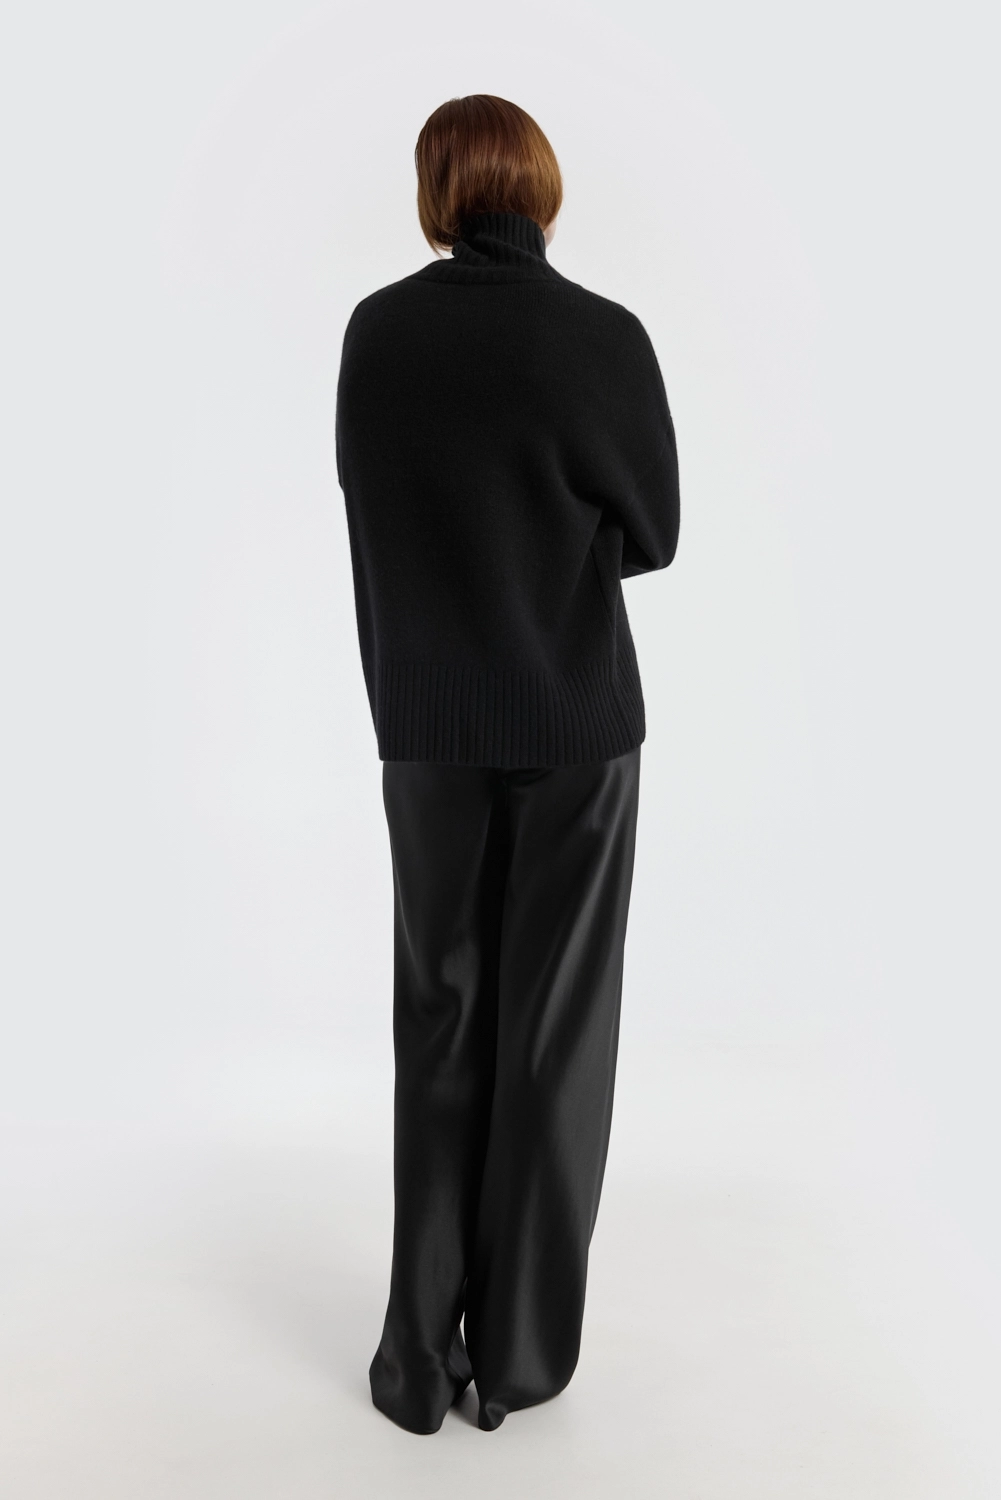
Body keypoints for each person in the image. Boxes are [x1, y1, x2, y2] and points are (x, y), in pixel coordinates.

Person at [335, 93, 680, 1435]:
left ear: (437, 193)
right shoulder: (603, 338)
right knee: (553, 1041)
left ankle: (416, 1358)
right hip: (575, 727)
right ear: (538, 188)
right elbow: (654, 531)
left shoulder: (376, 335)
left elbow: (377, 508)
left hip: (428, 729)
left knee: (441, 1021)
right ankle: (521, 1358)